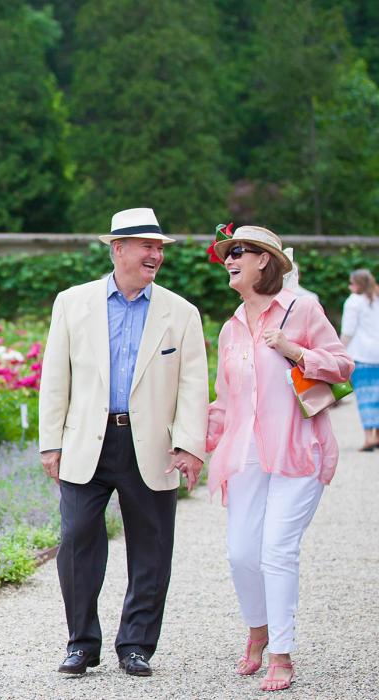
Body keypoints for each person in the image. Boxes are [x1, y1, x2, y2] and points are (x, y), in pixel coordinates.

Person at [39, 207, 209, 678]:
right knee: (75, 542)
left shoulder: (182, 312)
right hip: (84, 444)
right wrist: (50, 443)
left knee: (152, 549)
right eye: (147, 246)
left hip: (150, 445)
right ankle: (81, 643)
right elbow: (55, 378)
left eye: (159, 248)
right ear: (118, 250)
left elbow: (194, 384)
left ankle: (136, 645)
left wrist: (191, 444)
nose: (156, 255)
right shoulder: (72, 303)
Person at [206, 226, 352, 692]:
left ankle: (282, 654)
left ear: (264, 261)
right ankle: (258, 630)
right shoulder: (230, 327)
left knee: (277, 551)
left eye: (239, 252)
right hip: (244, 452)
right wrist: (194, 446)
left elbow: (342, 365)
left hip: (298, 448)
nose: (230, 260)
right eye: (227, 254)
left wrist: (293, 349)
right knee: (241, 553)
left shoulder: (301, 308)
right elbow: (224, 400)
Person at [341, 269, 379, 451]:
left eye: (351, 283)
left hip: (362, 355)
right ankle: (377, 435)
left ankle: (368, 437)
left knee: (365, 397)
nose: (350, 286)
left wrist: (339, 350)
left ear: (358, 284)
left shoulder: (353, 302)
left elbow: (348, 331)